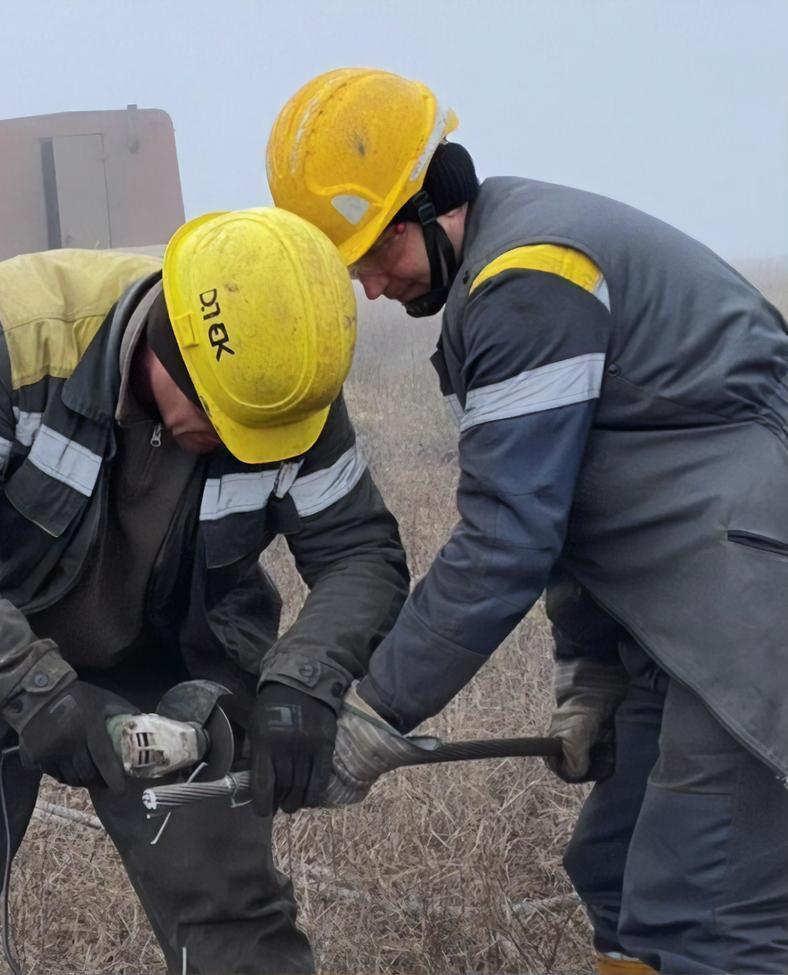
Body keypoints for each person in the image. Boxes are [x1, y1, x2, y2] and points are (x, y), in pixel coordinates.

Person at [268, 67, 788, 973]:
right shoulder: (507, 269)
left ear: (431, 205)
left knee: (701, 914)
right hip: (692, 613)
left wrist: (377, 709)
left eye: (371, 253)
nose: (367, 285)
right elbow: (583, 499)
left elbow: (507, 539)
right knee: (617, 872)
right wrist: (590, 671)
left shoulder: (528, 281)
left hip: (746, 615)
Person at [0, 207, 409, 974]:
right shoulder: (14, 331)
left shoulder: (280, 384)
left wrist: (301, 679)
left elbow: (362, 552)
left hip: (168, 652)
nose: (243, 445)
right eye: (221, 418)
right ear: (170, 342)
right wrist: (36, 691)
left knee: (236, 921)